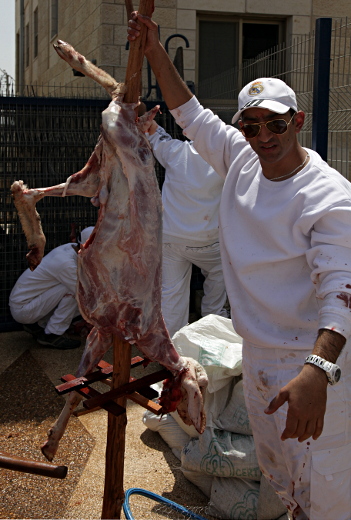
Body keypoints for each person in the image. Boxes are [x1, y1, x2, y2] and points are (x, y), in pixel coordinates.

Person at [128, 14, 351, 520]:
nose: (264, 136)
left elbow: (342, 288)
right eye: (251, 126)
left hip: (314, 363)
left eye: (276, 123)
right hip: (258, 358)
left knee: (327, 485)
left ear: (296, 121)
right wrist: (154, 51)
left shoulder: (327, 195)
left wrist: (318, 371)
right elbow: (191, 114)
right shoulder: (243, 159)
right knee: (283, 480)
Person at [145, 119, 228, 337]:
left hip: (172, 239)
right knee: (216, 288)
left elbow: (153, 132)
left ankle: (171, 351)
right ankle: (212, 337)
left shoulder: (175, 151)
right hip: (210, 241)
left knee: (171, 296)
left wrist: (146, 115)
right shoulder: (226, 161)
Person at [9, 227, 94, 350]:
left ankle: (39, 324)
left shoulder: (71, 248)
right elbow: (86, 293)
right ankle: (52, 334)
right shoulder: (65, 263)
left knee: (76, 288)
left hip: (31, 301)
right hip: (23, 309)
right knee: (76, 291)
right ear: (84, 247)